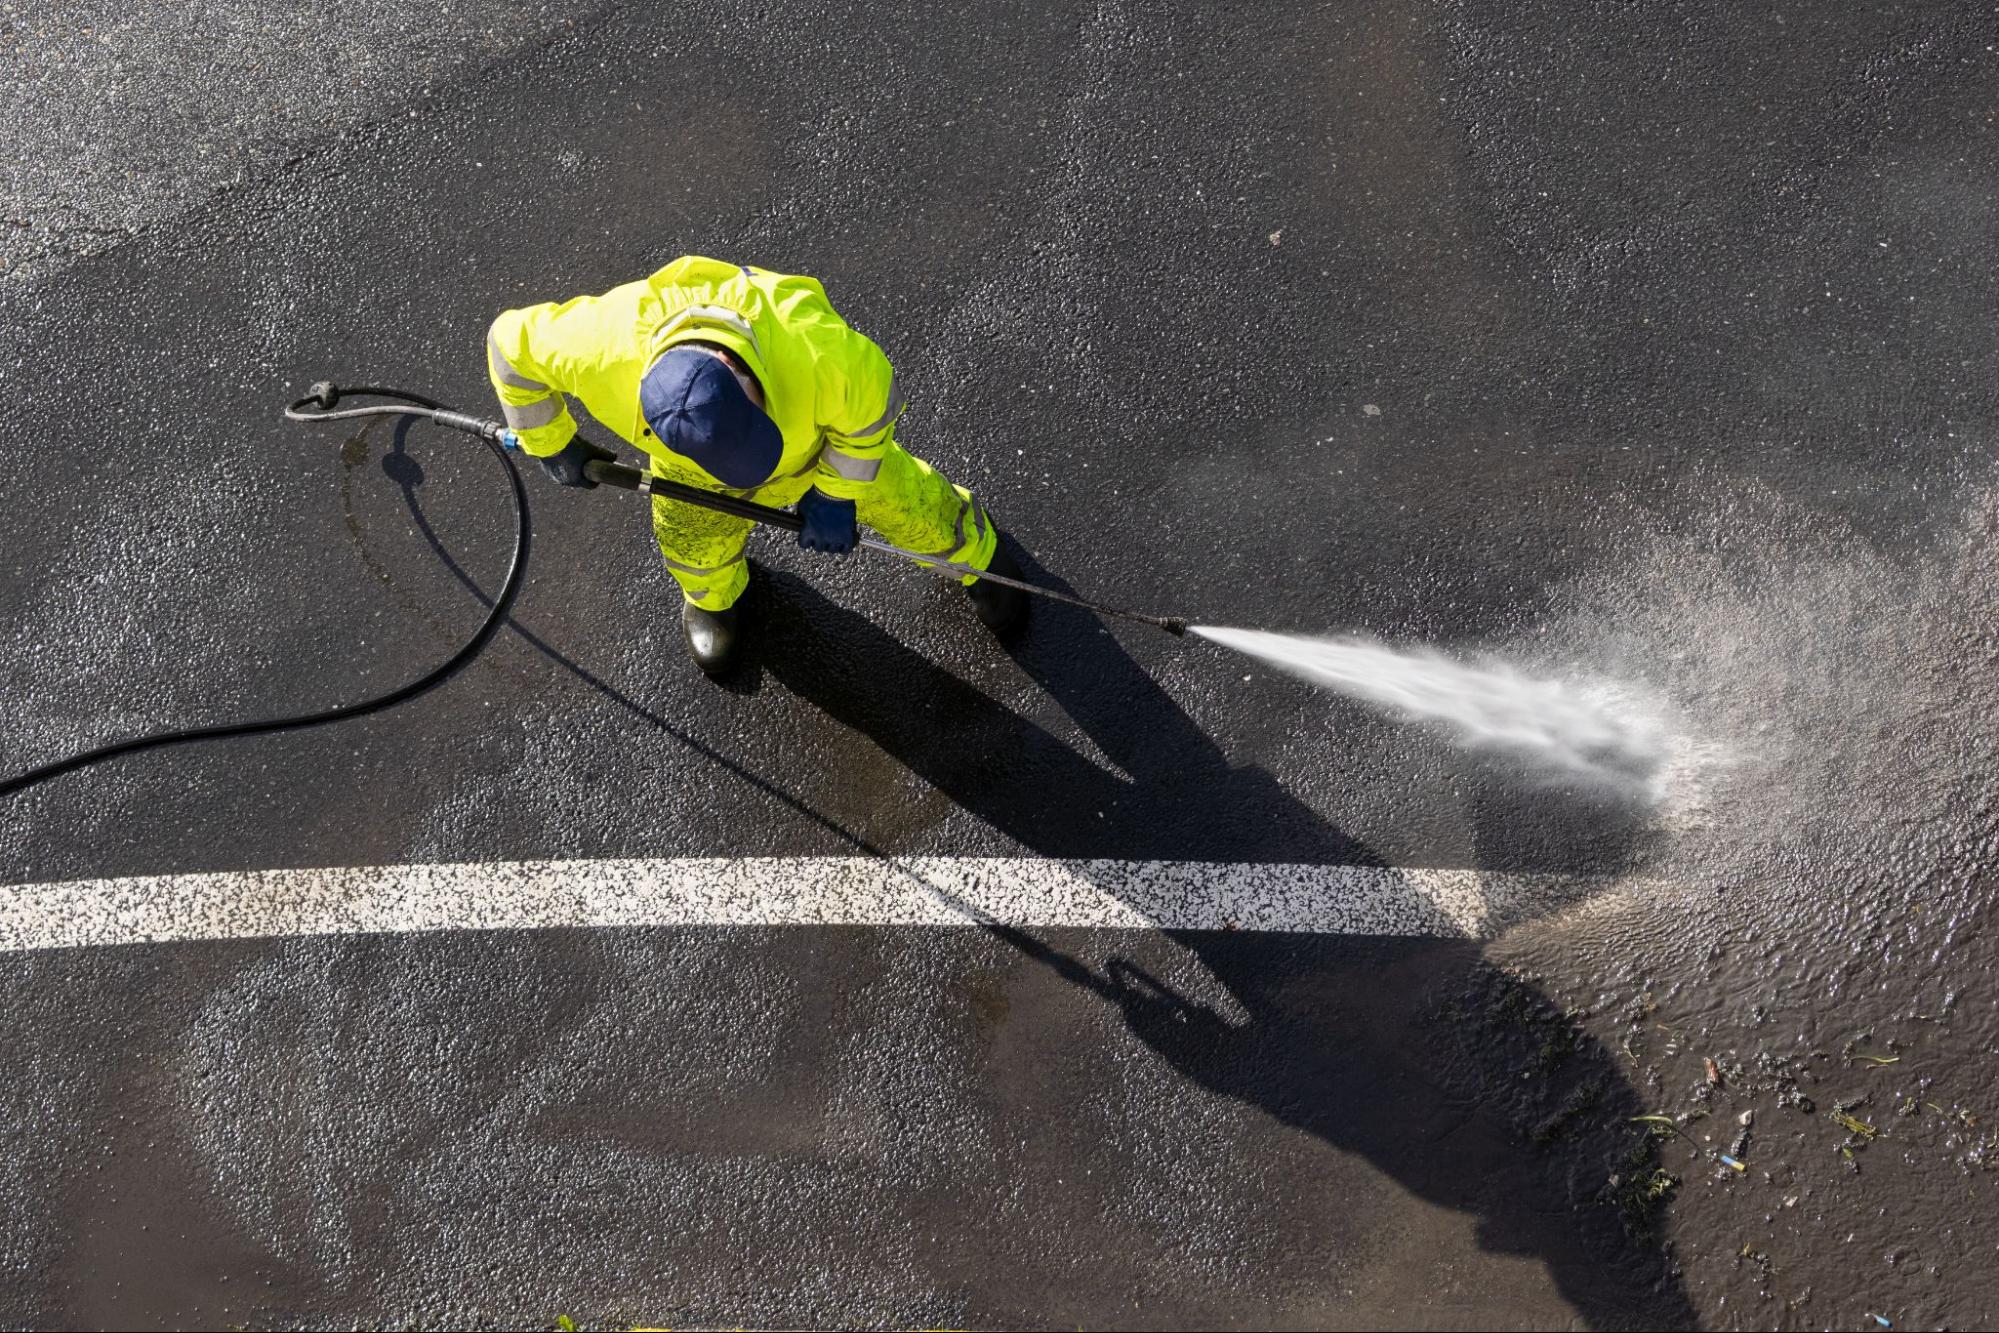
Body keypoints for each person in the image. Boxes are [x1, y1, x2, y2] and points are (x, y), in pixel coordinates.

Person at [485, 255, 1025, 676]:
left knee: (916, 507)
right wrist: (550, 442)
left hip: (818, 449)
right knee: (692, 544)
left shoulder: (815, 350)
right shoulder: (598, 345)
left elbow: (870, 415)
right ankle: (713, 599)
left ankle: (977, 556)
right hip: (687, 471)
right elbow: (510, 346)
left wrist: (836, 492)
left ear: (735, 368)